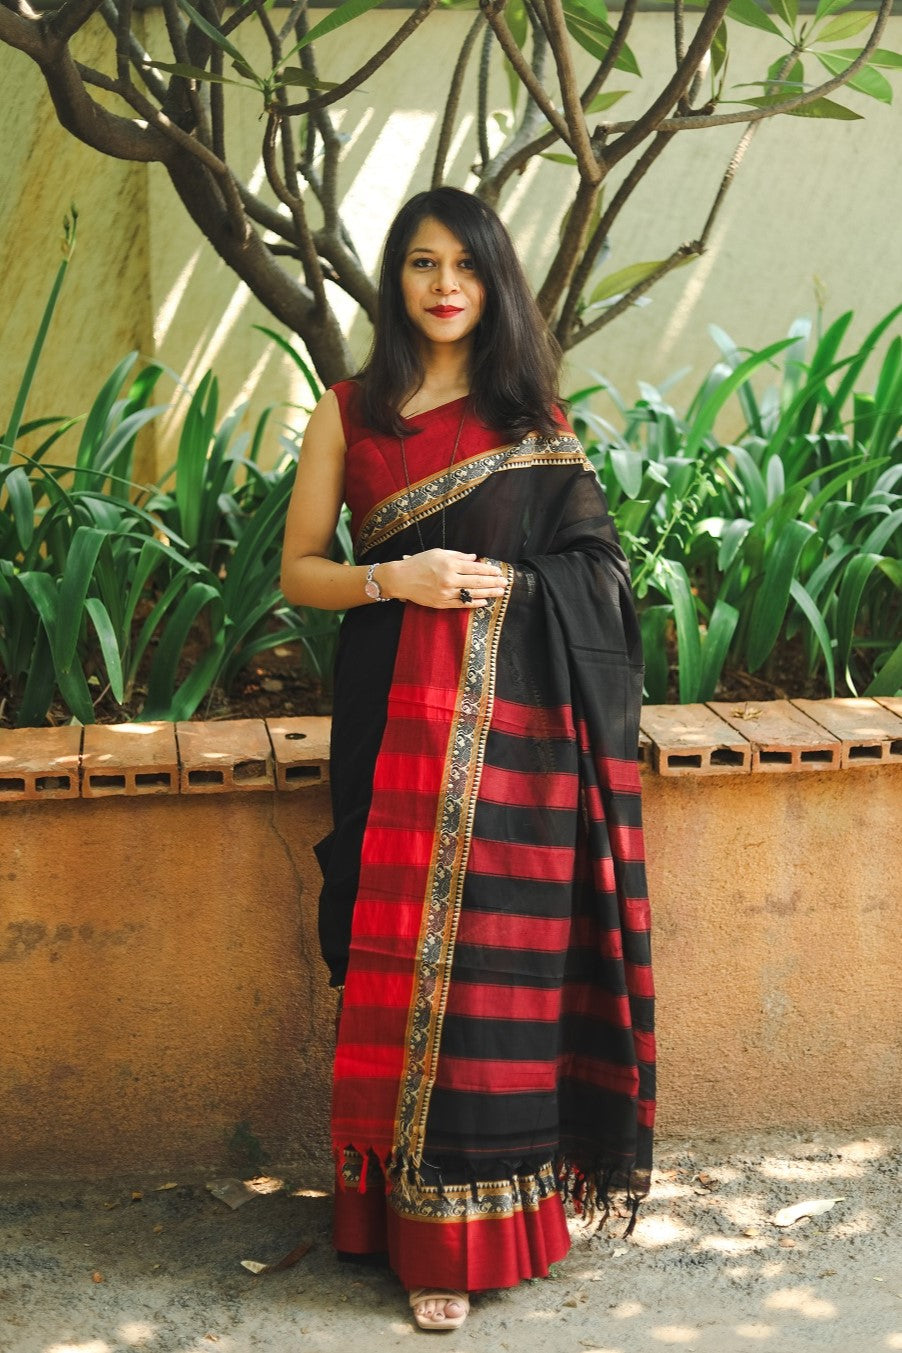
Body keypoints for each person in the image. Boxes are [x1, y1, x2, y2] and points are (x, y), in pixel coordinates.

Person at [280, 187, 655, 1333]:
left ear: (495, 282)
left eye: (469, 266)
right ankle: (407, 1234)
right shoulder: (350, 412)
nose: (446, 285)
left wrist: (508, 592)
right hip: (395, 730)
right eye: (421, 264)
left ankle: (496, 1221)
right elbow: (300, 573)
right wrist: (399, 577)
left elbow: (598, 572)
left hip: (516, 765)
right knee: (400, 968)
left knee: (498, 986)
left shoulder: (530, 417)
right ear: (394, 282)